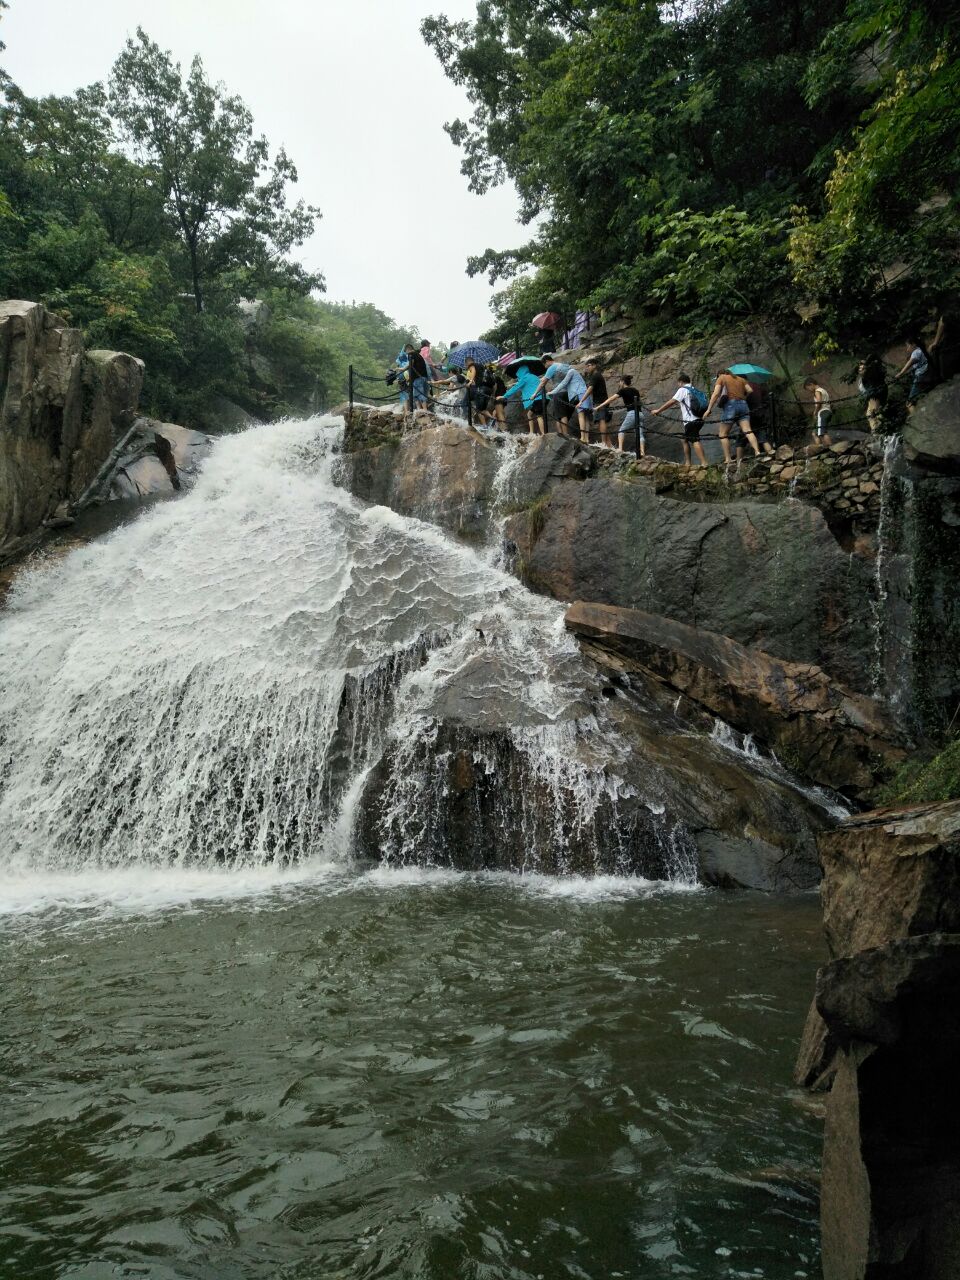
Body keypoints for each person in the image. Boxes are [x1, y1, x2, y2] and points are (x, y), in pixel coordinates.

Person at [651, 373, 708, 468]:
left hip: (691, 420)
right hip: (699, 419)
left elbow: (672, 401)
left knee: (695, 440)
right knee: (684, 439)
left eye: (678, 383)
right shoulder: (694, 390)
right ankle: (688, 463)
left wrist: (658, 410)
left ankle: (704, 462)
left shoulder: (682, 390)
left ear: (681, 382)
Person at [704, 369, 760, 462]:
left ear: (720, 374)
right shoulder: (740, 379)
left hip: (730, 405)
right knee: (748, 430)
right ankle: (757, 452)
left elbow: (716, 393)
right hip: (743, 405)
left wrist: (709, 409)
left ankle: (728, 458)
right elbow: (750, 390)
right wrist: (744, 398)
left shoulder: (721, 378)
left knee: (723, 433)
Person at [533, 361, 587, 437]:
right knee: (563, 414)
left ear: (548, 361)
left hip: (559, 393)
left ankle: (564, 435)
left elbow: (543, 383)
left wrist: (535, 393)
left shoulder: (552, 367)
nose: (545, 367)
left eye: (545, 364)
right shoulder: (565, 365)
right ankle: (565, 434)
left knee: (560, 415)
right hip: (569, 393)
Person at [595, 374, 645, 454]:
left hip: (632, 413)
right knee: (640, 434)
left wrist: (599, 406)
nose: (619, 384)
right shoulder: (636, 390)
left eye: (619, 382)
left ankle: (620, 449)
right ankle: (642, 452)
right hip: (640, 414)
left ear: (622, 382)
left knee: (622, 430)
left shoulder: (623, 390)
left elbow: (611, 399)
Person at [499, 364, 548, 434]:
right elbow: (525, 383)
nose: (518, 375)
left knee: (539, 416)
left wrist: (504, 396)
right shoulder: (533, 376)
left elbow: (515, 388)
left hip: (538, 399)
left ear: (520, 372)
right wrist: (516, 383)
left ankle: (543, 434)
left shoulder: (524, 378)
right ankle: (531, 432)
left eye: (518, 374)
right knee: (529, 415)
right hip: (543, 397)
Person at [576, 359, 608, 445]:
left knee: (601, 420)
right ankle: (607, 443)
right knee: (601, 420)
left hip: (600, 401)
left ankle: (604, 442)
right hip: (600, 401)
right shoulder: (596, 375)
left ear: (594, 366)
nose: (587, 368)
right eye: (586, 366)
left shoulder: (595, 375)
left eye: (589, 366)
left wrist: (581, 401)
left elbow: (590, 389)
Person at [895, 336, 933, 411]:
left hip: (921, 378)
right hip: (926, 376)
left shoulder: (916, 352)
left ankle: (916, 421)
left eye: (908, 346)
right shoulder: (922, 350)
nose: (907, 349)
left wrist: (901, 373)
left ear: (914, 344)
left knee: (909, 403)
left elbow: (910, 362)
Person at [857, 356, 888, 432]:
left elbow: (874, 389)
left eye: (862, 368)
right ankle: (876, 430)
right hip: (871, 397)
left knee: (875, 412)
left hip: (875, 396)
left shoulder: (870, 376)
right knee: (870, 414)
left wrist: (873, 397)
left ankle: (880, 430)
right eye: (859, 369)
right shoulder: (863, 379)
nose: (860, 370)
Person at [803, 378, 833, 446]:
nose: (809, 391)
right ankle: (819, 448)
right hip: (827, 411)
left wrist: (815, 412)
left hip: (822, 412)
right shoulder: (823, 390)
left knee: (822, 433)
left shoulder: (817, 391)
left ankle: (830, 448)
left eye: (808, 388)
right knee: (815, 433)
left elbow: (819, 402)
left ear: (811, 384)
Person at [404, 343, 430, 411]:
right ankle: (420, 409)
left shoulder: (411, 354)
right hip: (423, 377)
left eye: (406, 351)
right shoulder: (418, 355)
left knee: (418, 394)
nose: (406, 353)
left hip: (417, 378)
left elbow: (410, 364)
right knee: (417, 394)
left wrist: (403, 369)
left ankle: (424, 409)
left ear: (407, 350)